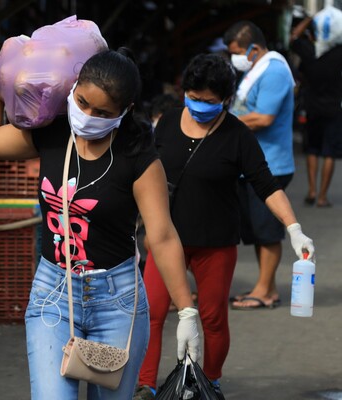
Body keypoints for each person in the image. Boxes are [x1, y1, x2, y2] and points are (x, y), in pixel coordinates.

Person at [0, 47, 201, 400]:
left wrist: (186, 310)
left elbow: (163, 235)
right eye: (82, 102)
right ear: (73, 87)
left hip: (118, 301)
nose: (88, 116)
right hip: (53, 295)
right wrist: (0, 78)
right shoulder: (52, 132)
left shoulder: (136, 154)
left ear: (126, 112)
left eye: (103, 112)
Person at [134, 54, 315, 400]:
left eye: (210, 102)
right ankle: (145, 384)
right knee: (152, 312)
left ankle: (209, 381)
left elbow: (266, 184)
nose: (200, 105)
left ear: (226, 101)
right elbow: (141, 173)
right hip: (165, 239)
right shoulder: (167, 123)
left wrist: (293, 228)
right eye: (194, 97)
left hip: (216, 243)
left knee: (213, 318)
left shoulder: (237, 135)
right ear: (184, 91)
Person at [223, 21, 297, 310]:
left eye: (237, 52)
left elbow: (263, 117)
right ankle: (266, 287)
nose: (234, 58)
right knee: (256, 230)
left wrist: (220, 122)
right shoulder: (256, 69)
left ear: (254, 48)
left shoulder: (275, 70)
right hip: (253, 163)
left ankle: (265, 291)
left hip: (271, 165)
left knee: (267, 231)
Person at [290, 13, 342, 208]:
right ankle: (322, 196)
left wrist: (308, 20)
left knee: (313, 148)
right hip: (334, 108)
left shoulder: (308, 50)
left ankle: (311, 190)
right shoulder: (338, 51)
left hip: (311, 107)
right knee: (330, 152)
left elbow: (293, 38)